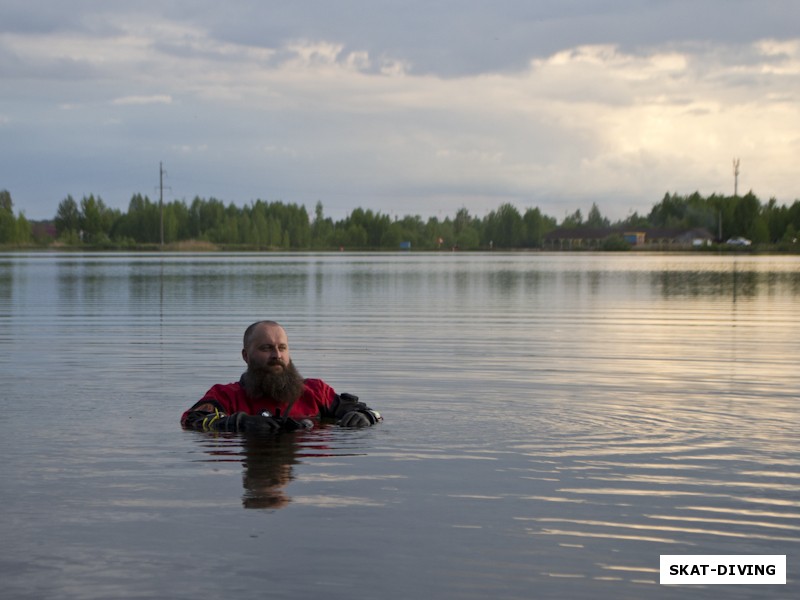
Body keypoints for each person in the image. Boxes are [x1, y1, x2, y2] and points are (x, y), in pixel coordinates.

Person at [181, 320, 381, 433]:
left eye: (282, 348)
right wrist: (239, 423)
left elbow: (369, 412)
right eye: (266, 348)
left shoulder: (315, 391)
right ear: (245, 356)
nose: (276, 355)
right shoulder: (225, 395)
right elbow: (192, 419)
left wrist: (364, 416)